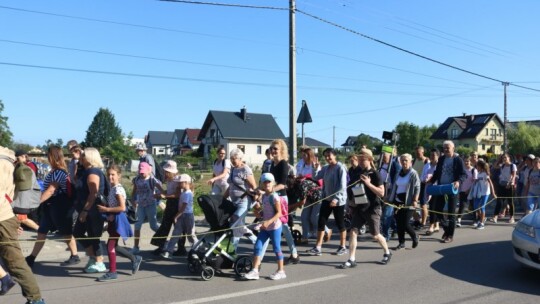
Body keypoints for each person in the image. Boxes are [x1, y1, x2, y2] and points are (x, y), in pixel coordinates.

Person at [0, 146, 46, 304]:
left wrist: (10, 220)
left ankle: (35, 299)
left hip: (2, 218)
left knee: (15, 262)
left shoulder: (1, 162)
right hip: (6, 216)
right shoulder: (6, 158)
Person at [25, 145, 80, 268]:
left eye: (48, 155)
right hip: (51, 207)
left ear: (53, 157)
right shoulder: (55, 171)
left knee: (66, 232)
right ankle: (31, 258)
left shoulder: (59, 172)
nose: (46, 158)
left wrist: (36, 203)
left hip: (59, 207)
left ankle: (75, 255)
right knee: (42, 231)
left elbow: (50, 190)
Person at [339, 149, 392, 268]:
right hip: (359, 208)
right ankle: (352, 259)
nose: (361, 161)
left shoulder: (375, 174)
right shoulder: (359, 173)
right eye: (360, 159)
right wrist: (351, 205)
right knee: (353, 231)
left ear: (369, 160)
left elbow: (382, 192)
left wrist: (368, 183)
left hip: (373, 208)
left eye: (363, 159)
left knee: (375, 234)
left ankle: (387, 252)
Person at [96, 164, 142, 282]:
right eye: (109, 175)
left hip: (118, 220)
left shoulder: (117, 189)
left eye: (113, 175)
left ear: (119, 176)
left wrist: (106, 210)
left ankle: (112, 272)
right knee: (113, 245)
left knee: (110, 245)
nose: (110, 177)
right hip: (113, 219)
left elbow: (122, 208)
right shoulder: (113, 188)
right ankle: (134, 258)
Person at [72, 147, 109, 273]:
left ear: (89, 157)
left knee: (94, 236)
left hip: (93, 210)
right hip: (88, 209)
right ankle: (93, 257)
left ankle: (99, 261)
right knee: (78, 232)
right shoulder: (86, 171)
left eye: (83, 156)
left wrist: (85, 210)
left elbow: (93, 192)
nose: (81, 158)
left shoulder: (93, 171)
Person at [244, 173, 286, 280]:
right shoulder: (264, 196)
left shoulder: (274, 196)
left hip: (275, 227)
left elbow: (279, 213)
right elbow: (266, 212)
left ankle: (281, 271)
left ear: (273, 183)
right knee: (258, 246)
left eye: (269, 181)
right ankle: (255, 271)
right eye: (265, 182)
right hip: (265, 227)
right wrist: (259, 214)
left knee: (276, 248)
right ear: (262, 184)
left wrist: (268, 222)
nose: (267, 183)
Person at [307, 148, 348, 257]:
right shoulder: (326, 168)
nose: (327, 158)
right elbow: (316, 177)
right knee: (321, 222)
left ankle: (343, 246)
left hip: (338, 201)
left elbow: (342, 186)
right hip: (326, 199)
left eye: (329, 155)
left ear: (334, 155)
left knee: (340, 223)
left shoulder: (340, 168)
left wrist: (336, 199)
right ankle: (318, 247)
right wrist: (314, 168)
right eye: (325, 156)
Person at [426, 140, 467, 243]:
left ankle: (450, 236)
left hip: (452, 188)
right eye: (444, 147)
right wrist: (431, 181)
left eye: (447, 147)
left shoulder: (458, 160)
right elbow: (436, 173)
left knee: (451, 213)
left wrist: (458, 181)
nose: (445, 149)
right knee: (437, 210)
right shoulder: (441, 159)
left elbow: (463, 174)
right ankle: (447, 229)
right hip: (441, 187)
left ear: (453, 148)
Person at [268, 139, 300, 264]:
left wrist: (269, 191)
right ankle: (294, 253)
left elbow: (282, 184)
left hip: (281, 198)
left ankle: (293, 253)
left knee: (281, 227)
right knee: (282, 228)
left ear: (281, 150)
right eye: (272, 148)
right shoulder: (272, 164)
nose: (273, 151)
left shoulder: (283, 164)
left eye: (275, 148)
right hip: (273, 197)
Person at [388, 153, 421, 250]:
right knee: (399, 223)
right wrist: (390, 198)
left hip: (408, 201)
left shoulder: (413, 173)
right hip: (398, 201)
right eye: (402, 160)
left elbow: (417, 187)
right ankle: (401, 243)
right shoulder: (399, 173)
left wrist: (415, 200)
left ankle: (414, 235)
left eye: (406, 160)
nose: (404, 162)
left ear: (410, 162)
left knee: (405, 223)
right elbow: (395, 186)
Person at [161, 174, 196, 259]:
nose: (178, 185)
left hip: (187, 216)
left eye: (180, 183)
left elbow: (183, 207)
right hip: (181, 216)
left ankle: (197, 249)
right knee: (175, 233)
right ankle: (169, 251)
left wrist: (176, 216)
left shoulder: (188, 194)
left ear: (186, 182)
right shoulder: (183, 192)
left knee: (190, 234)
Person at [131, 162, 163, 254]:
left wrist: (160, 195)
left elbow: (162, 191)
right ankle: (136, 247)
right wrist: (133, 200)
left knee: (153, 226)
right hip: (140, 205)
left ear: (149, 171)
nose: (142, 173)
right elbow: (134, 191)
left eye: (144, 172)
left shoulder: (153, 180)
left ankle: (163, 241)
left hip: (151, 205)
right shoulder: (136, 179)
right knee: (137, 226)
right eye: (140, 171)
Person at [150, 160, 182, 255]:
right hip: (170, 204)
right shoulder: (169, 180)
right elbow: (168, 191)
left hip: (177, 204)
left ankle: (181, 248)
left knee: (178, 227)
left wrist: (165, 196)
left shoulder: (178, 180)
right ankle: (161, 246)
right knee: (165, 225)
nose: (165, 174)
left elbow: (177, 194)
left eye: (167, 172)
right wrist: (160, 193)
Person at [12, 151, 40, 231]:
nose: (16, 159)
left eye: (18, 157)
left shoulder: (27, 167)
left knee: (22, 218)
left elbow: (25, 184)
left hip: (23, 197)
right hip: (22, 197)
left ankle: (41, 231)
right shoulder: (21, 166)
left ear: (24, 157)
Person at [379, 149, 401, 241]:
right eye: (382, 156)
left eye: (385, 156)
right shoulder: (381, 165)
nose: (383, 158)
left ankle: (385, 235)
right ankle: (395, 228)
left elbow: (396, 180)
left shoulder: (395, 165)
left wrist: (390, 195)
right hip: (381, 191)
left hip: (390, 193)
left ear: (391, 156)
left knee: (386, 215)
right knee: (387, 215)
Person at [468, 159, 496, 229]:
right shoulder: (478, 173)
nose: (476, 167)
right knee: (475, 206)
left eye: (477, 166)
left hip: (486, 192)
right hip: (479, 192)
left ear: (480, 166)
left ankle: (482, 223)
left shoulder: (485, 174)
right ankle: (482, 218)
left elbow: (490, 183)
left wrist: (493, 193)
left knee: (482, 207)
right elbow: (479, 181)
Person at [491, 153, 517, 224]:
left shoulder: (513, 165)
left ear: (509, 158)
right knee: (499, 201)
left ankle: (512, 217)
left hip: (509, 185)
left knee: (510, 202)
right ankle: (495, 216)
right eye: (503, 158)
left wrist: (510, 183)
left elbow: (513, 175)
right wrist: (499, 159)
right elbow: (495, 166)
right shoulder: (502, 165)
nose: (504, 159)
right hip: (501, 184)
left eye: (505, 157)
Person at [423, 149, 440, 235]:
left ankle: (431, 226)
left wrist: (432, 178)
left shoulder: (440, 165)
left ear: (438, 156)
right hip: (428, 188)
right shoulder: (427, 165)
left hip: (437, 188)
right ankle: (436, 225)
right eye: (431, 155)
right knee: (433, 207)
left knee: (433, 207)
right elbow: (422, 176)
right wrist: (425, 180)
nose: (432, 157)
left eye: (434, 155)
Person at [456, 156, 477, 227]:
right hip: (462, 190)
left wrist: (469, 190)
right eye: (465, 161)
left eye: (467, 161)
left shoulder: (474, 170)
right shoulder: (462, 170)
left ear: (470, 162)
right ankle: (459, 220)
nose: (466, 162)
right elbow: (459, 181)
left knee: (473, 206)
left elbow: (475, 182)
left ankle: (475, 220)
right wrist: (458, 191)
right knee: (461, 206)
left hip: (471, 191)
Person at [412, 146, 429, 229]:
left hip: (423, 185)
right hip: (414, 185)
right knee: (412, 203)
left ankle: (423, 222)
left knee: (423, 204)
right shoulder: (414, 160)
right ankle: (417, 220)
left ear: (422, 152)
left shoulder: (426, 161)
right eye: (416, 153)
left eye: (418, 153)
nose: (417, 155)